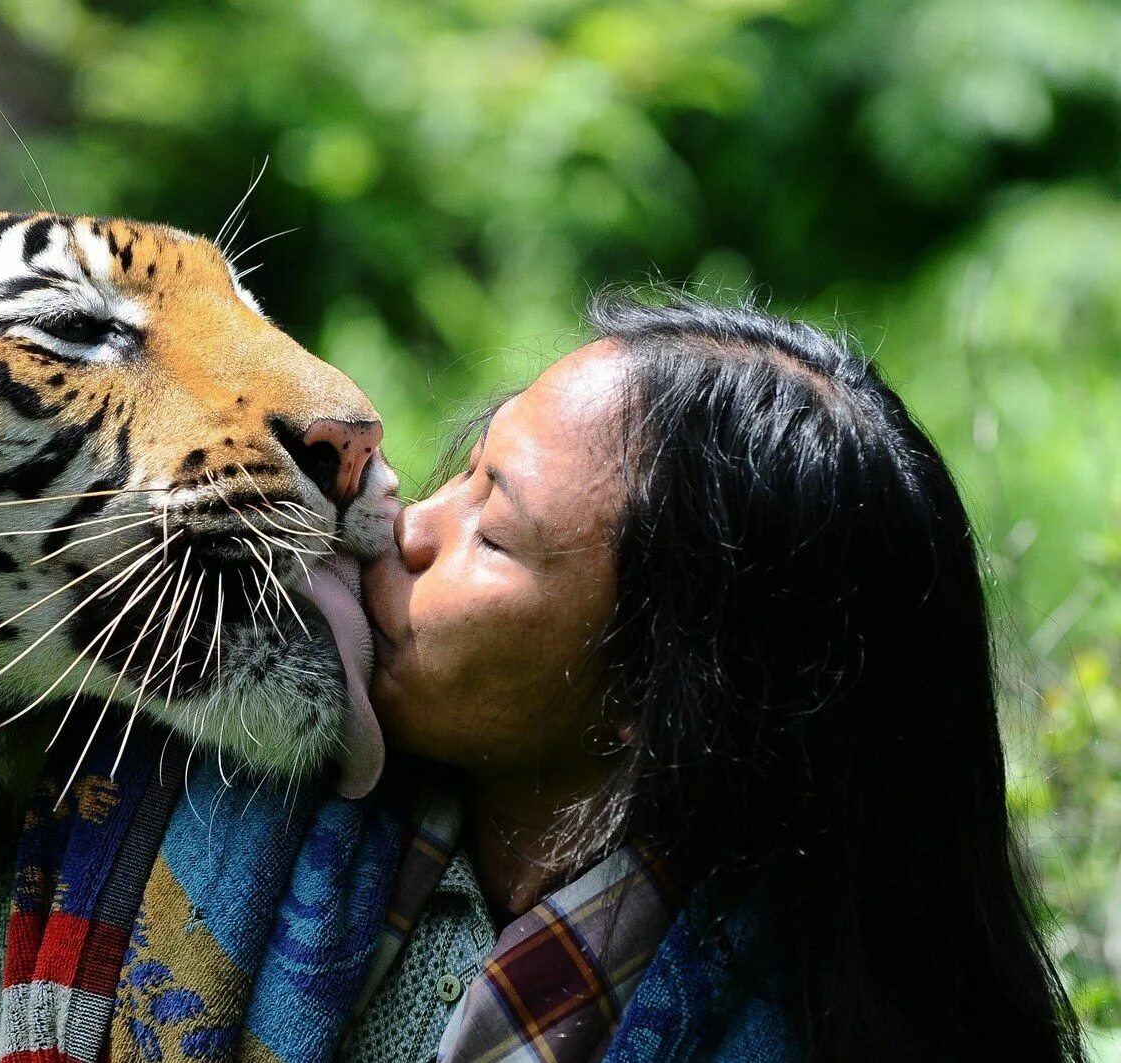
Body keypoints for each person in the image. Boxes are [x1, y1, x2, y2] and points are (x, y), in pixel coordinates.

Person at [343, 291, 1086, 1061]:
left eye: (494, 535)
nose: (412, 523)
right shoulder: (272, 804)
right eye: (470, 470)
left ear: (661, 687)